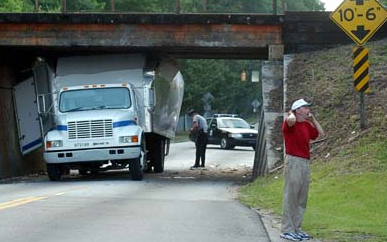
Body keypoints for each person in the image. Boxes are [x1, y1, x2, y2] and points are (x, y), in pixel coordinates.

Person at [280, 98, 324, 241]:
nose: (308, 110)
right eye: (305, 108)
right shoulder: (289, 124)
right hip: (293, 161)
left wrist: (313, 119)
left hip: (304, 161)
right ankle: (287, 229)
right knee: (291, 196)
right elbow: (291, 120)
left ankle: (296, 228)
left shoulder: (306, 125)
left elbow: (320, 133)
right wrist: (291, 113)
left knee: (301, 197)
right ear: (297, 110)